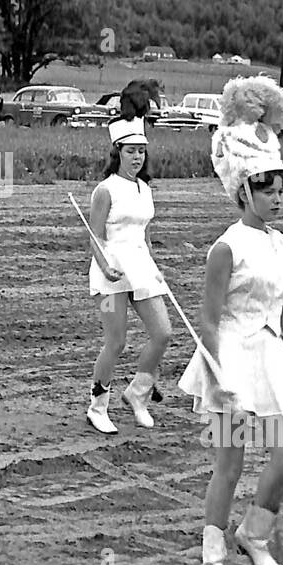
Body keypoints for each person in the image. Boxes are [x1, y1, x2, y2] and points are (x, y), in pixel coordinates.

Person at [178, 77, 283, 565]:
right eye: (267, 188)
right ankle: (213, 559)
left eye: (281, 187)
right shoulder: (225, 248)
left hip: (269, 352)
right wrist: (219, 382)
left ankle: (255, 534)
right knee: (231, 462)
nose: (277, 197)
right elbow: (209, 319)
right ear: (243, 189)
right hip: (230, 357)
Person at [84, 82, 172, 434]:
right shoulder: (105, 190)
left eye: (141, 152)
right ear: (118, 152)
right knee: (116, 341)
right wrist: (105, 266)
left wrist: (155, 264)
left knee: (163, 333)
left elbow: (145, 232)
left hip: (141, 267)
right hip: (111, 272)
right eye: (130, 151)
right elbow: (95, 236)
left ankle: (138, 392)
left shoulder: (145, 188)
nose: (137, 158)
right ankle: (97, 405)